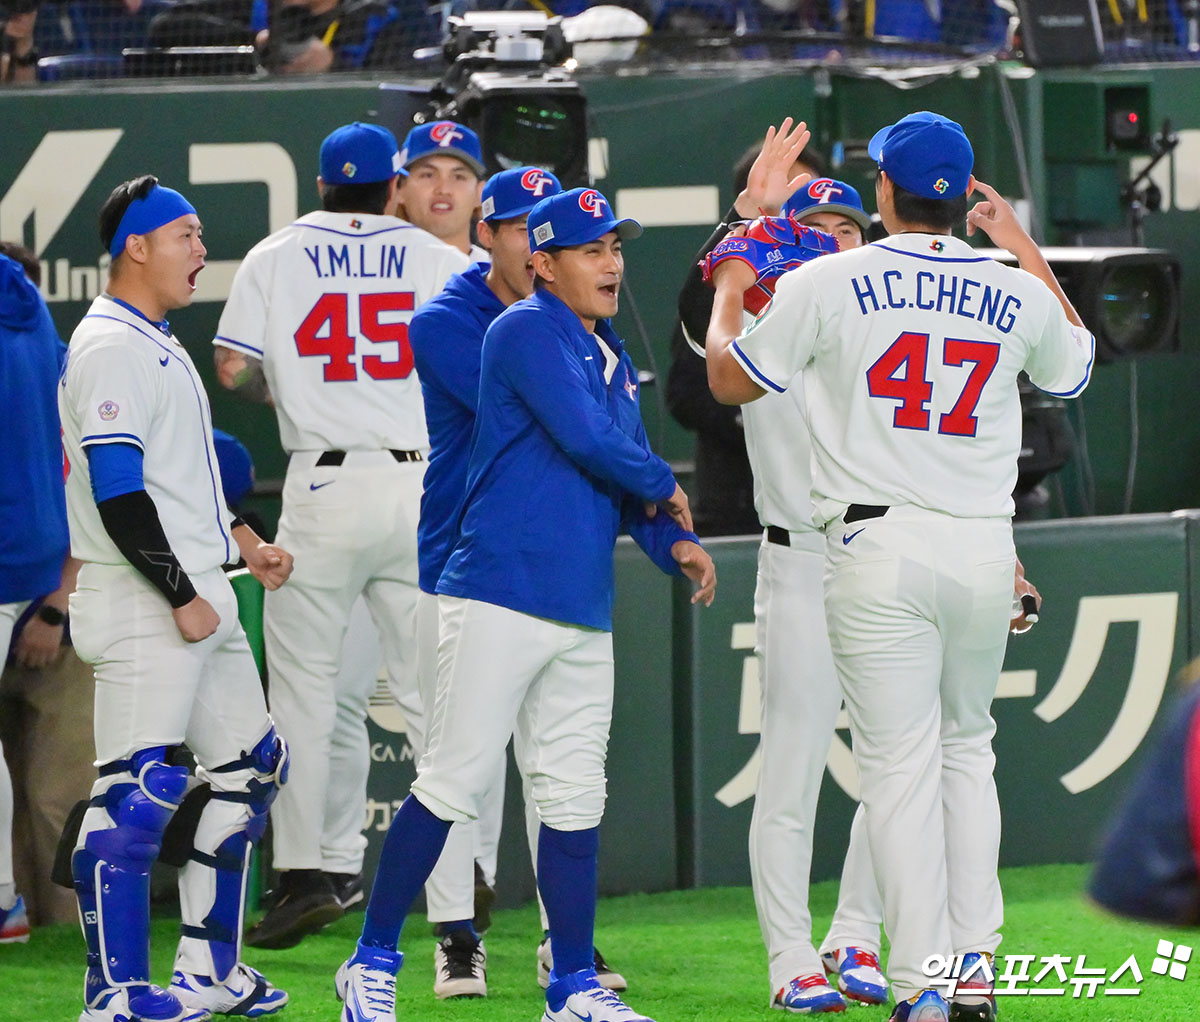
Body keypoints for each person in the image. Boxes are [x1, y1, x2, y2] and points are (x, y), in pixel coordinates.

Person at [706, 112, 1094, 1022]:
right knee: (968, 752)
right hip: (980, 549)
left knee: (901, 767)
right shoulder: (1010, 282)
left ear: (883, 192)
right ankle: (974, 973)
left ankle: (923, 986)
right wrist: (1022, 244)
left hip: (876, 547)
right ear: (962, 196)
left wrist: (731, 275)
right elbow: (1073, 364)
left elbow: (726, 380)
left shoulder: (836, 276)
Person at [335, 186, 715, 1022]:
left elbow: (620, 474)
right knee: (453, 781)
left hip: (581, 602)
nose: (612, 262)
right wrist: (667, 488)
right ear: (541, 265)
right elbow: (592, 442)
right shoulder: (520, 330)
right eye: (590, 249)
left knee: (575, 795)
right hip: (500, 589)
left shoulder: (608, 351)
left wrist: (670, 543)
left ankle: (572, 985)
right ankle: (368, 964)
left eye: (615, 246)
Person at [213, 121, 470, 950]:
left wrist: (293, 388)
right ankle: (455, 893)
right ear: (394, 186)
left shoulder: (276, 253)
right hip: (417, 481)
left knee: (303, 695)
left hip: (321, 483)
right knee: (435, 702)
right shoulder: (437, 256)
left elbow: (232, 368)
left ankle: (304, 875)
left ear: (323, 187)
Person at [58, 174, 294, 1022]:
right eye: (188, 235)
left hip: (199, 590)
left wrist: (242, 541)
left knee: (250, 770)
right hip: (144, 599)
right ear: (138, 246)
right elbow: (120, 491)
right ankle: (113, 993)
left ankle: (208, 972)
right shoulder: (111, 346)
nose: (202, 251)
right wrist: (180, 592)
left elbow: (177, 478)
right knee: (137, 791)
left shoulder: (151, 337)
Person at [677, 123, 889, 1013]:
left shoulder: (892, 311)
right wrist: (747, 217)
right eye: (816, 226)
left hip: (885, 558)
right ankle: (790, 959)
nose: (836, 238)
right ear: (784, 243)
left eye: (849, 227)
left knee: (897, 767)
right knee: (795, 767)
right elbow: (697, 322)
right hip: (799, 560)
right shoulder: (758, 313)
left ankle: (858, 935)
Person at [410, 165, 628, 998]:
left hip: (554, 563)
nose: (528, 236)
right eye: (512, 225)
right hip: (462, 560)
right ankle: (454, 934)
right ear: (493, 238)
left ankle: (561, 943)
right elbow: (563, 420)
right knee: (458, 766)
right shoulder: (451, 321)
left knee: (560, 770)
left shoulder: (582, 317)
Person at [665, 139, 828, 536]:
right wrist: (753, 414)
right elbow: (687, 386)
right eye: (786, 192)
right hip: (740, 504)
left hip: (849, 528)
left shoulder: (856, 291)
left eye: (837, 225)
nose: (800, 209)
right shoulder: (733, 283)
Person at [0, 243, 73, 943]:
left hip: (38, 571)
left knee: (59, 791)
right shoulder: (36, 323)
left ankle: (6, 904)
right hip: (37, 552)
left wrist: (58, 603)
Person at [396, 121, 488, 260]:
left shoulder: (500, 278)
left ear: (480, 193)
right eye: (428, 175)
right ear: (400, 188)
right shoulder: (371, 271)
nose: (444, 189)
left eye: (459, 177)